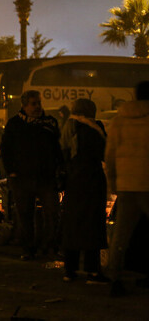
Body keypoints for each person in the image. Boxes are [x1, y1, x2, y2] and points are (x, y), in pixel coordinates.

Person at [0, 90, 62, 261]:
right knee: (25, 215)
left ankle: (50, 246)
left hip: (45, 177)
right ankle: (29, 249)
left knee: (52, 212)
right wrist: (11, 171)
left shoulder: (49, 123)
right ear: (24, 105)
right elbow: (6, 149)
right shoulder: (15, 124)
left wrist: (59, 169)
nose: (37, 107)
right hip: (22, 178)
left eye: (39, 103)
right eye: (33, 104)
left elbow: (57, 147)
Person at [105, 81, 149, 297]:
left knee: (121, 235)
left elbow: (110, 155)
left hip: (127, 186)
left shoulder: (119, 120)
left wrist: (113, 182)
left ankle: (115, 278)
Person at [59, 99, 109, 283]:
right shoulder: (93, 128)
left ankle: (69, 270)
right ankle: (93, 271)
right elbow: (104, 152)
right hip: (91, 181)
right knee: (93, 225)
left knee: (73, 225)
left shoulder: (68, 126)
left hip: (73, 182)